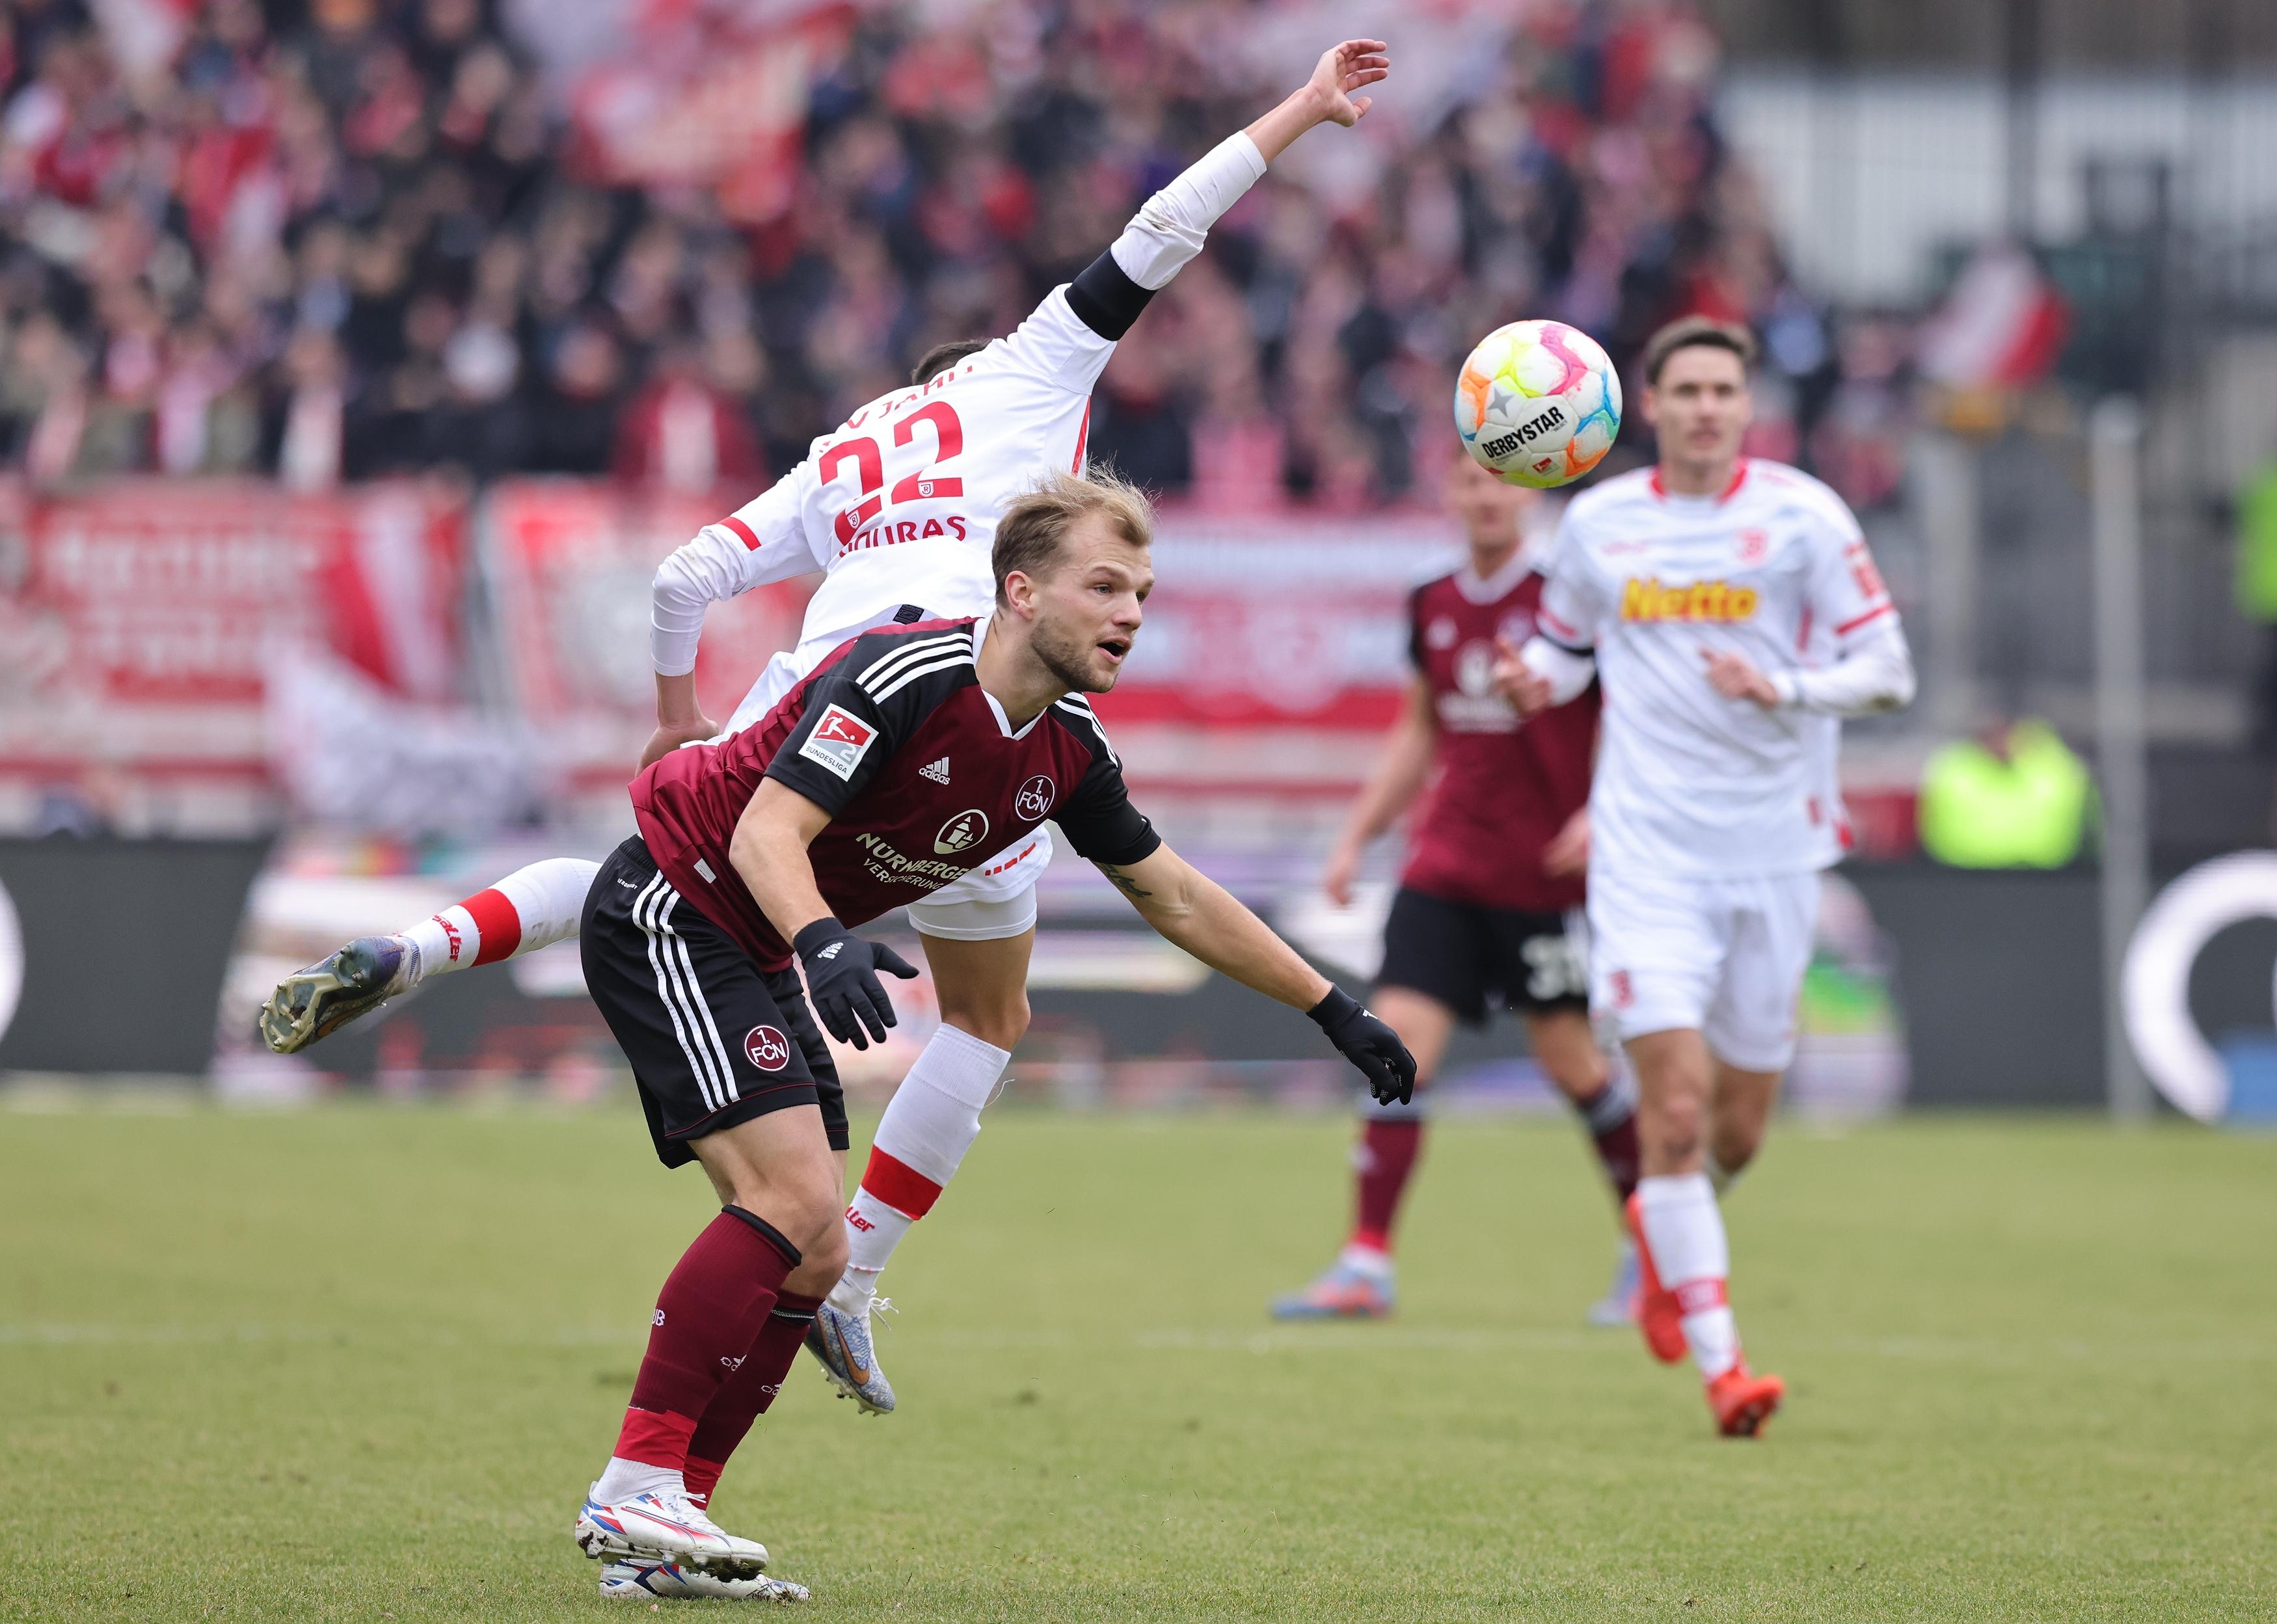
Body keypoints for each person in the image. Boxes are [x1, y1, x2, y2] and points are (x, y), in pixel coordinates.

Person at [258, 37, 1395, 1415]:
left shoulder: (850, 447)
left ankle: (429, 940)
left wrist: (676, 723)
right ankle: (850, 1283)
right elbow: (1160, 230)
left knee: (656, 873)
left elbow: (684, 578)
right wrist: (1303, 111)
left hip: (809, 697)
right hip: (962, 694)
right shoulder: (1025, 379)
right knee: (987, 1012)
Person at [565, 472, 1413, 1598]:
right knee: (794, 1206)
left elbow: (1176, 897)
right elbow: (771, 830)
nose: (1129, 615)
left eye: (1143, 595)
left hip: (758, 947)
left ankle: (676, 1528)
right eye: (1104, 586)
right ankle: (635, 1485)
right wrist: (825, 943)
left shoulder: (1067, 749)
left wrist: (1334, 1007)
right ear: (1019, 592)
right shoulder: (905, 672)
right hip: (676, 906)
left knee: (819, 1254)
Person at [1496, 315, 1915, 1437]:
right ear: (1649, 402)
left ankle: (1660, 1227)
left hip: (1775, 855)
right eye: (1684, 390)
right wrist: (1530, 680)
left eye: (1722, 390)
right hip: (1647, 858)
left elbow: (1887, 670)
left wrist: (1783, 688)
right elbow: (1563, 645)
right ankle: (1728, 1370)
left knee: (1735, 1135)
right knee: (1673, 1113)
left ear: (1746, 405)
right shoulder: (1600, 524)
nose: (1704, 408)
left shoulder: (1803, 520)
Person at [1269, 453, 1641, 1324]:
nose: (1486, 497)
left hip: (1541, 875)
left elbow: (1630, 712)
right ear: (1451, 493)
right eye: (1471, 482)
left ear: (1532, 490)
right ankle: (1367, 1263)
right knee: (1398, 1054)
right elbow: (1418, 732)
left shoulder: (1566, 595)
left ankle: (1654, 1248)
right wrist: (1355, 838)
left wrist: (1603, 814)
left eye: (1502, 482)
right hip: (1443, 867)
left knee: (1575, 1068)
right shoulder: (1431, 596)